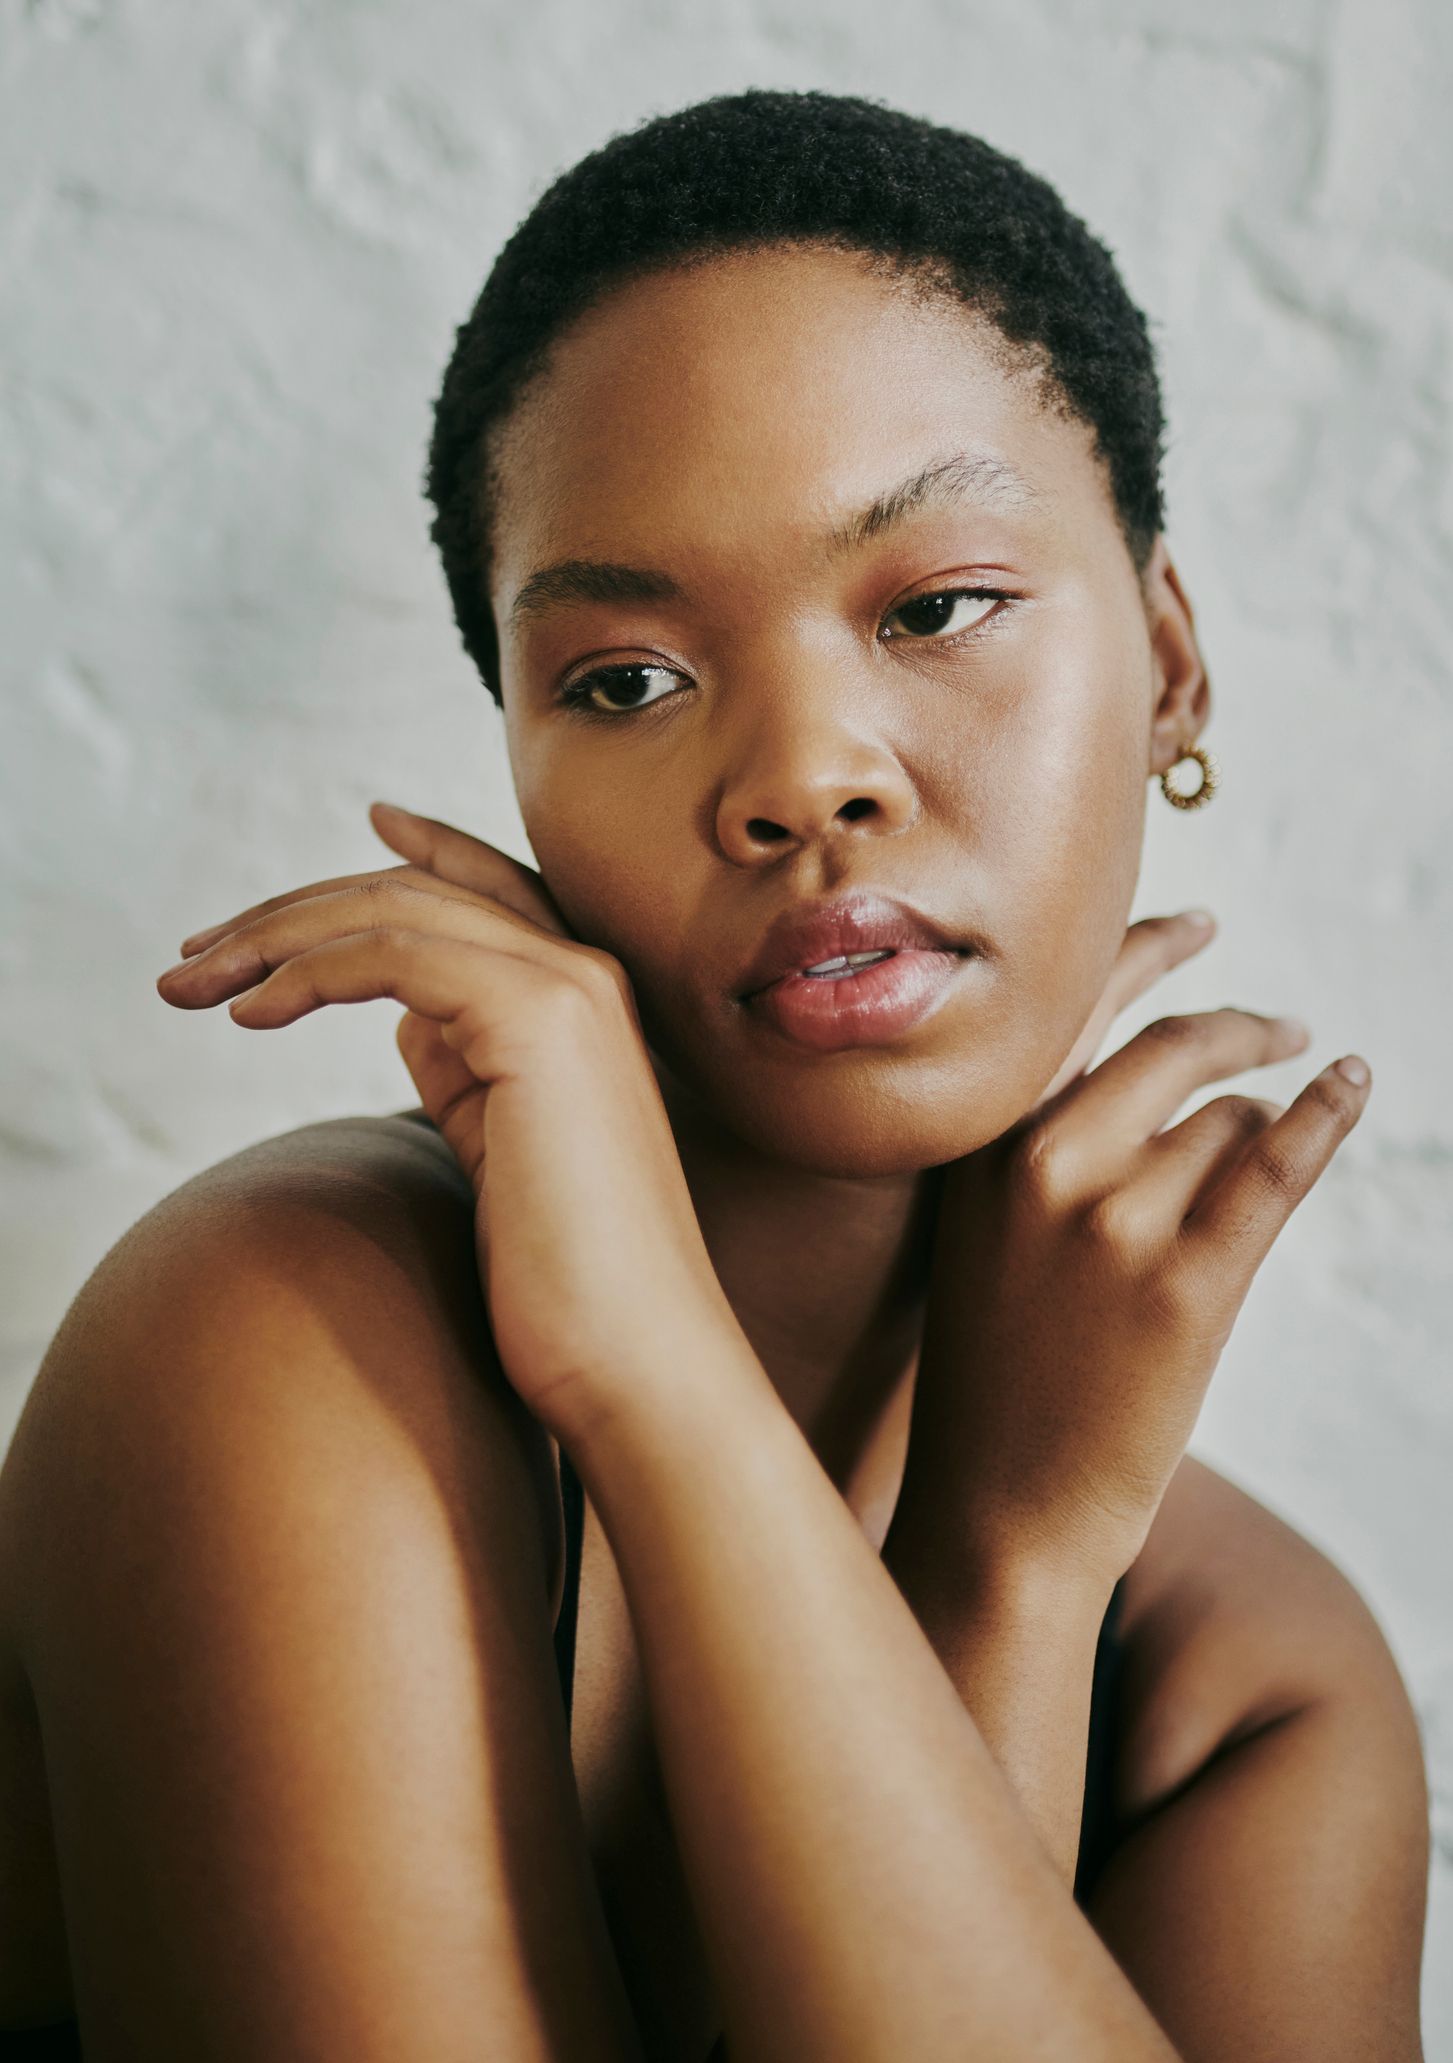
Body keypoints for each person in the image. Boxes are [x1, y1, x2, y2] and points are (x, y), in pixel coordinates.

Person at [0, 87, 1429, 2061]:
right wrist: (651, 1382)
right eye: (624, 682)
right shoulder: (294, 1343)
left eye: (936, 607)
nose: (797, 778)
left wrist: (1004, 1574)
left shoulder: (1243, 1678)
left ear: (1170, 663)